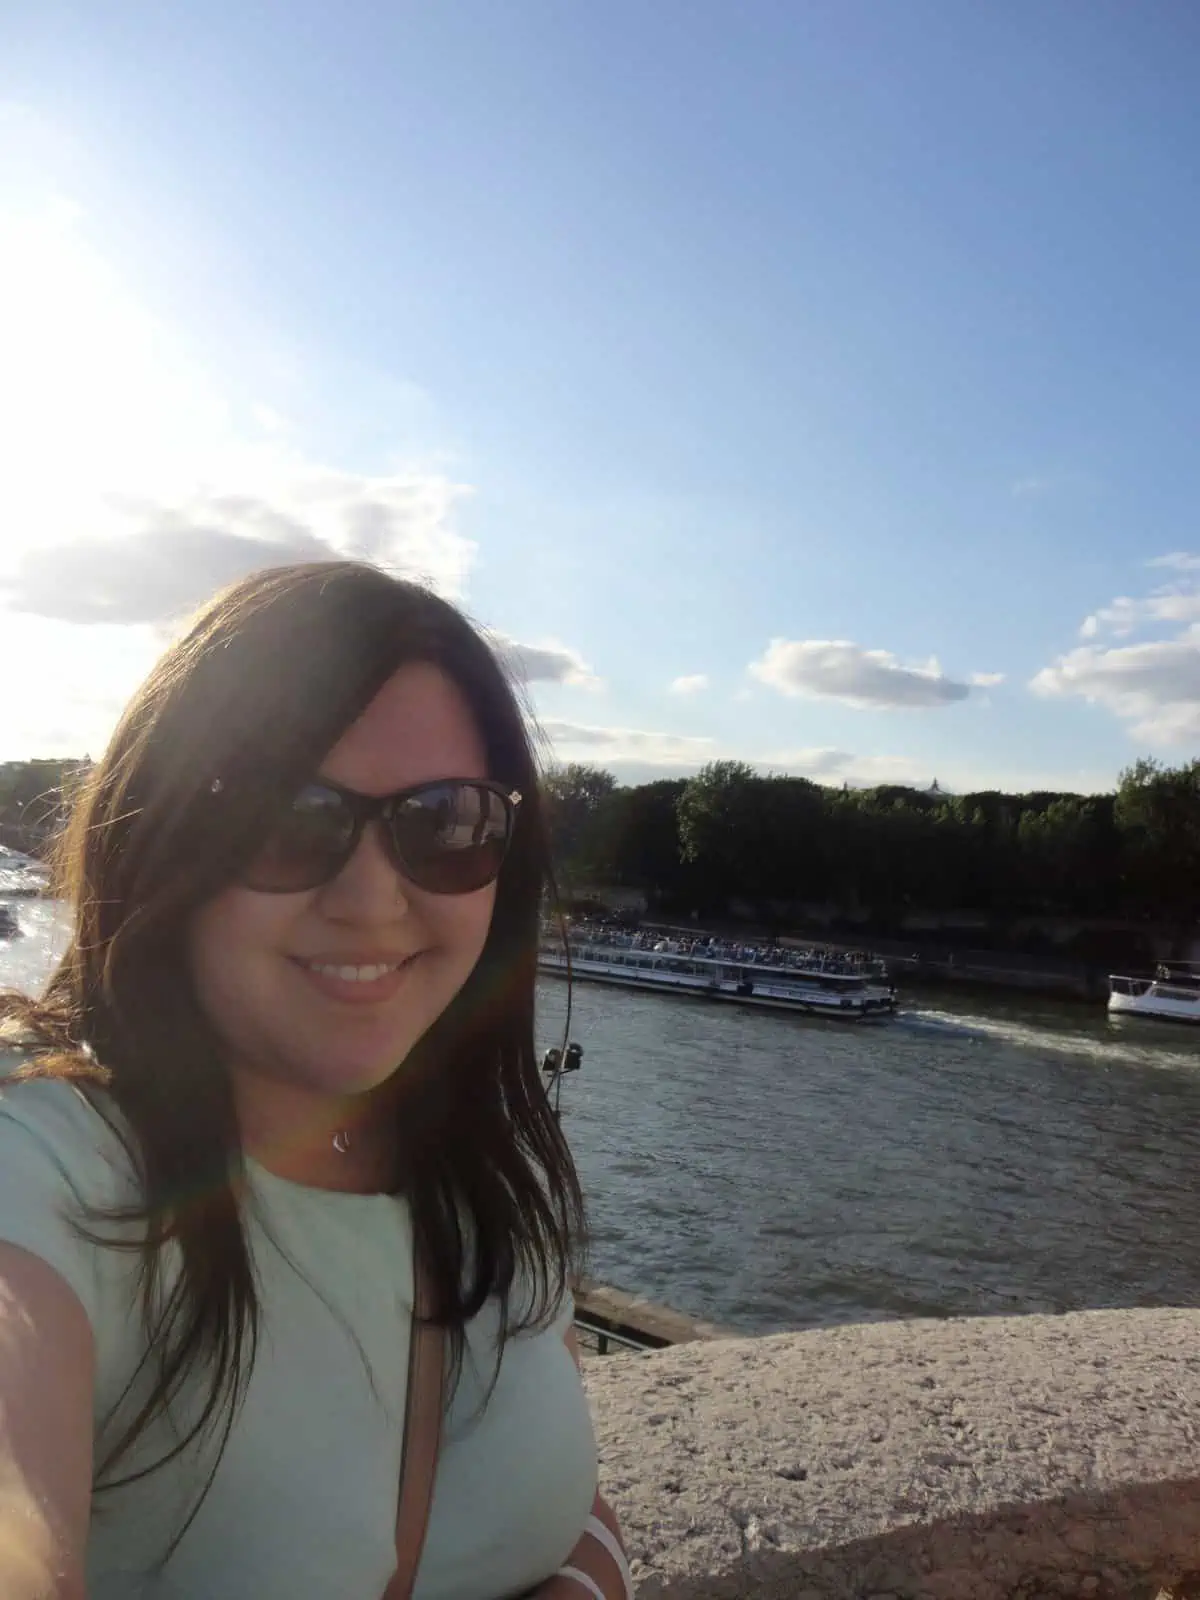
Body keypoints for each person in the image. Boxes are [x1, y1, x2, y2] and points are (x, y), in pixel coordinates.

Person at [0, 561, 632, 1600]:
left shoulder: (492, 1178)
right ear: (161, 840)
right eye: (288, 815)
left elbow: (571, 1497)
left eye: (446, 822)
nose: (373, 899)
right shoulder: (50, 1160)